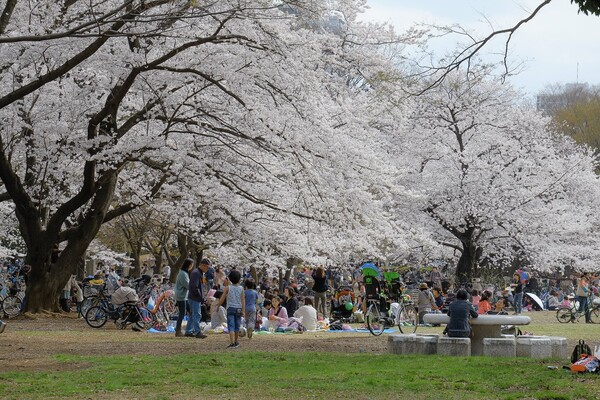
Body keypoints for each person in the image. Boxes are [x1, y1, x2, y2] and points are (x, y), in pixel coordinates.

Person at [220, 269, 245, 348]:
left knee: (231, 326)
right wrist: (243, 310)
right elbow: (243, 300)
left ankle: (232, 343)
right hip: (238, 309)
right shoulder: (241, 288)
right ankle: (236, 341)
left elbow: (222, 298)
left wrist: (218, 305)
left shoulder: (227, 288)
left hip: (230, 308)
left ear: (230, 278)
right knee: (237, 326)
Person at [185, 259, 209, 339]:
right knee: (197, 315)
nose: (207, 269)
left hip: (194, 297)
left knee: (193, 315)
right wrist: (200, 297)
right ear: (203, 265)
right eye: (207, 267)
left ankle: (188, 331)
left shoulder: (198, 273)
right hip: (195, 297)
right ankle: (197, 332)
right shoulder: (196, 273)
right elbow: (195, 287)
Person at [174, 258, 192, 337]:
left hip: (184, 296)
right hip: (181, 296)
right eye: (191, 265)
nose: (192, 266)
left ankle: (189, 329)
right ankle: (178, 330)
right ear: (188, 265)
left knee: (190, 311)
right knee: (182, 313)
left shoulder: (184, 273)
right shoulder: (183, 274)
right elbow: (187, 285)